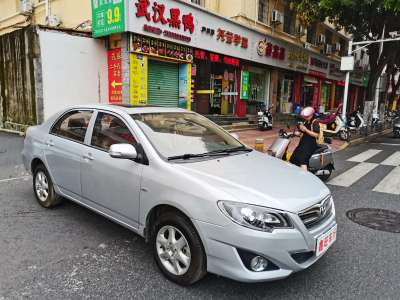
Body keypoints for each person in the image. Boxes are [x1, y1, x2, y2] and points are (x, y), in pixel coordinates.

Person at [290, 106, 320, 171]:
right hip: (304, 142)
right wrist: (294, 133)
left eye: (307, 116)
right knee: (294, 157)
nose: (306, 118)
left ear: (312, 115)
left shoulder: (315, 122)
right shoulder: (306, 122)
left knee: (303, 160)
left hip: (311, 144)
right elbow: (301, 133)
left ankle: (304, 177)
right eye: (305, 117)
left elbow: (316, 135)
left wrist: (305, 130)